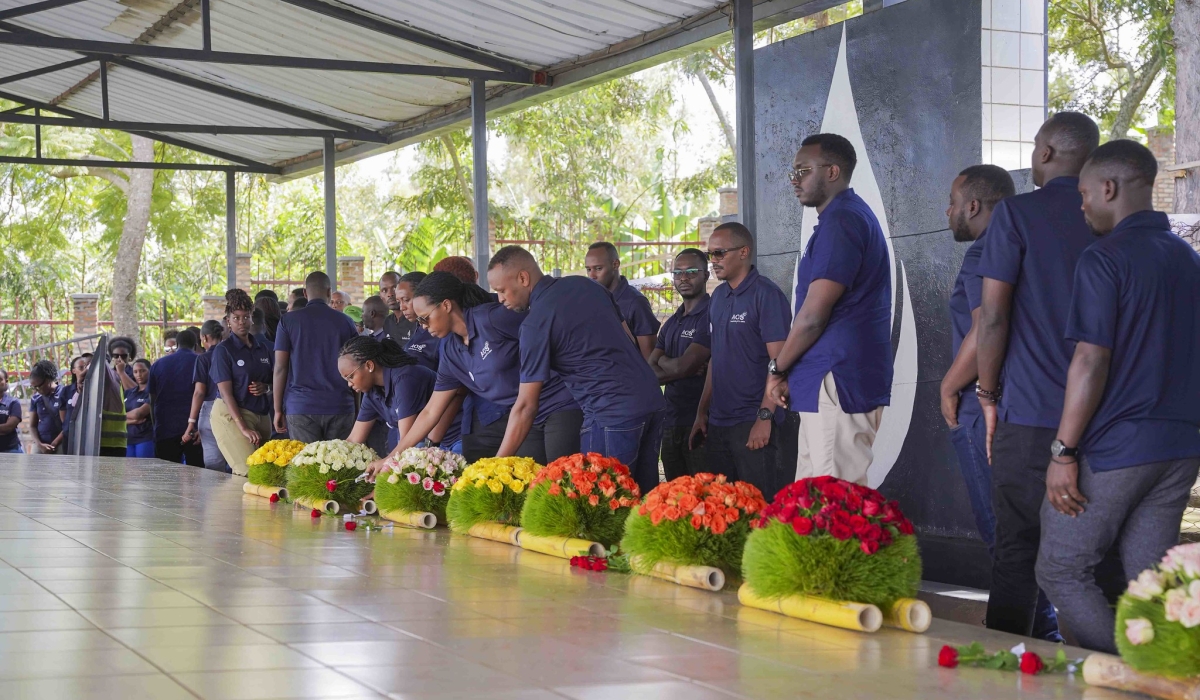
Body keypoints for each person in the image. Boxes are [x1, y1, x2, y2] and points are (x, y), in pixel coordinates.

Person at [1034, 141, 1200, 652]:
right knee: (1150, 579)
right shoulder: (1187, 258)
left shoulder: (1104, 257)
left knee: (1061, 568)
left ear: (1108, 188)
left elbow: (1090, 359)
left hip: (1116, 448)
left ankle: (1128, 672)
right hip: (1180, 447)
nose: (1081, 206)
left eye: (1084, 194)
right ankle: (1166, 673)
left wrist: (1063, 451)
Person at [975, 111, 1101, 639]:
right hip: (1101, 419)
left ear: (1046, 153)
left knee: (1018, 548)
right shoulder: (1110, 216)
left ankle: (1001, 674)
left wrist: (986, 393)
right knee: (1093, 557)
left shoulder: (1018, 214)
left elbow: (993, 315)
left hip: (1027, 414)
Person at [764, 134, 893, 492]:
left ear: (833, 171)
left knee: (834, 505)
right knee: (810, 501)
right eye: (793, 171)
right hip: (824, 375)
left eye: (804, 170)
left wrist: (778, 367)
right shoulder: (837, 219)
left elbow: (813, 315)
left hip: (838, 376)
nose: (794, 179)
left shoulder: (844, 221)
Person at [487, 246, 666, 494]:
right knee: (645, 503)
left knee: (602, 506)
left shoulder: (535, 323)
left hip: (610, 412)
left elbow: (526, 406)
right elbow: (629, 338)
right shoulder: (586, 285)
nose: (500, 299)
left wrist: (494, 467)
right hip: (651, 399)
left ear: (523, 278)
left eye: (501, 290)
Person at [369, 272, 582, 471]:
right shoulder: (451, 351)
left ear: (446, 305)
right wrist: (391, 457)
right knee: (530, 486)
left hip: (559, 403)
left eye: (425, 318)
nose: (422, 326)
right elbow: (430, 412)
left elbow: (546, 326)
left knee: (560, 481)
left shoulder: (491, 319)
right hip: (525, 417)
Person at [691, 223, 791, 497]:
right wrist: (702, 412)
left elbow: (780, 363)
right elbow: (715, 359)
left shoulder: (766, 295)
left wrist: (764, 417)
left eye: (720, 253)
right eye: (710, 254)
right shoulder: (718, 297)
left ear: (744, 252)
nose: (713, 261)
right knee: (721, 512)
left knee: (760, 511)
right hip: (718, 424)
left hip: (752, 422)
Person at [272, 271, 360, 442]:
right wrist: (356, 407)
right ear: (329, 292)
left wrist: (277, 409)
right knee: (339, 466)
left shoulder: (288, 321)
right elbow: (356, 366)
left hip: (300, 407)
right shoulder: (346, 322)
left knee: (306, 466)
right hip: (340, 405)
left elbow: (280, 367)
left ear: (305, 293)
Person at [650, 249, 712, 479]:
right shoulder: (671, 323)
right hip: (670, 421)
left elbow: (682, 367)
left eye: (691, 272)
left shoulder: (711, 315)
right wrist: (678, 367)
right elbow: (649, 371)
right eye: (678, 273)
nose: (683, 278)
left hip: (700, 422)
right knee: (676, 499)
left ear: (706, 275)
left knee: (705, 498)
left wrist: (666, 362)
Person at [210, 289, 274, 476]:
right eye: (236, 318)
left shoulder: (261, 348)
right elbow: (226, 393)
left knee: (265, 471)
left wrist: (266, 387)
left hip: (261, 414)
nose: (241, 322)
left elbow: (272, 380)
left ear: (252, 319)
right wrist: (243, 427)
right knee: (247, 471)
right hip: (232, 414)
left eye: (246, 317)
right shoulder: (224, 350)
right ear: (228, 320)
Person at [340, 336, 436, 459]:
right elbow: (354, 440)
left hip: (448, 440)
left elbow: (407, 443)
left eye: (351, 376)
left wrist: (383, 463)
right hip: (417, 444)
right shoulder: (372, 391)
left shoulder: (405, 379)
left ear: (369, 365)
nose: (349, 384)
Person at [584, 241, 661, 360]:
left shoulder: (636, 302)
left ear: (615, 264)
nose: (592, 275)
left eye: (598, 268)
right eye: (588, 269)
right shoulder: (591, 300)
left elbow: (649, 359)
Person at [148, 329, 203, 465]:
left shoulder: (157, 365)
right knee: (195, 475)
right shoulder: (201, 362)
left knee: (166, 476)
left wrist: (156, 425)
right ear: (196, 345)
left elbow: (152, 399)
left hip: (165, 428)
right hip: (195, 429)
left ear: (177, 344)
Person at [184, 320, 229, 472]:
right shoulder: (230, 353)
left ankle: (214, 494)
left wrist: (191, 422)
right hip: (233, 408)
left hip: (210, 411)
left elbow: (199, 392)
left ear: (204, 337)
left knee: (213, 463)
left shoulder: (203, 358)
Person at [28, 360, 64, 454]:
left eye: (39, 386)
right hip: (40, 443)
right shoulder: (36, 398)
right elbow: (32, 426)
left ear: (48, 380)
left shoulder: (64, 394)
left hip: (60, 443)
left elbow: (67, 425)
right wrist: (39, 444)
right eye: (34, 387)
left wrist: (54, 443)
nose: (37, 390)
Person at [125, 359, 154, 458]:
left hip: (145, 438)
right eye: (135, 372)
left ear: (150, 371)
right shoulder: (128, 393)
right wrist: (131, 421)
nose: (139, 374)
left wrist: (125, 417)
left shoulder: (152, 393)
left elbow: (138, 414)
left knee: (143, 471)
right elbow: (117, 416)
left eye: (142, 371)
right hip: (127, 439)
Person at [59, 355, 91, 443]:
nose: (85, 371)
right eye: (81, 367)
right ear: (73, 370)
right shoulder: (66, 390)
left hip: (87, 435)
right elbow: (64, 416)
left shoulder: (94, 388)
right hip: (69, 435)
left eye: (87, 367)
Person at [379, 271, 415, 344]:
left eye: (394, 288)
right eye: (384, 290)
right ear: (380, 296)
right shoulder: (387, 322)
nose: (390, 294)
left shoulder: (415, 320)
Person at [0, 369, 22, 453]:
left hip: (11, 450)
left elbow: (8, 427)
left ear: (6, 381)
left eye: (0, 379)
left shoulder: (13, 402)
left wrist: (4, 428)